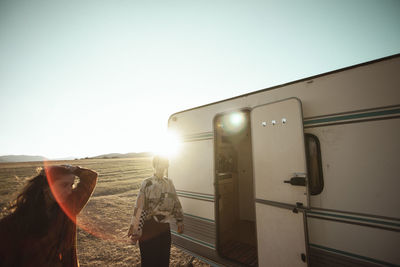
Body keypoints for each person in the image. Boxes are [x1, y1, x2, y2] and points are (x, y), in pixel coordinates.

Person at [0, 165, 97, 267]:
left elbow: (90, 177)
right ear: (45, 187)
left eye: (71, 185)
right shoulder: (13, 224)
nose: (69, 191)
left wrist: (73, 169)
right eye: (64, 185)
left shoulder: (68, 208)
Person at [128, 156, 184, 267]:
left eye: (164, 164)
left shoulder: (169, 183)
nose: (162, 167)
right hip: (149, 227)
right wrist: (135, 227)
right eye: (159, 164)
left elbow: (176, 203)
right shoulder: (147, 183)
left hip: (164, 228)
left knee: (163, 259)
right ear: (154, 165)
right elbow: (140, 207)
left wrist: (180, 221)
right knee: (149, 260)